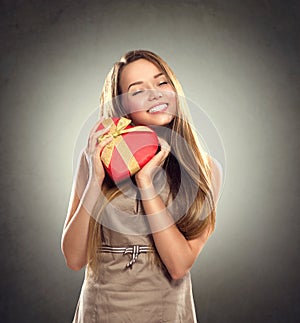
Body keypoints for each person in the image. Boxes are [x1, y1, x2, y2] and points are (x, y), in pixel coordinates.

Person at [61, 49, 223, 323]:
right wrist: (96, 178)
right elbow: (74, 259)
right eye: (137, 91)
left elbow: (178, 265)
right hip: (100, 312)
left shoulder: (205, 169)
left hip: (168, 313)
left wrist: (145, 184)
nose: (155, 94)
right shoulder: (94, 158)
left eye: (162, 83)